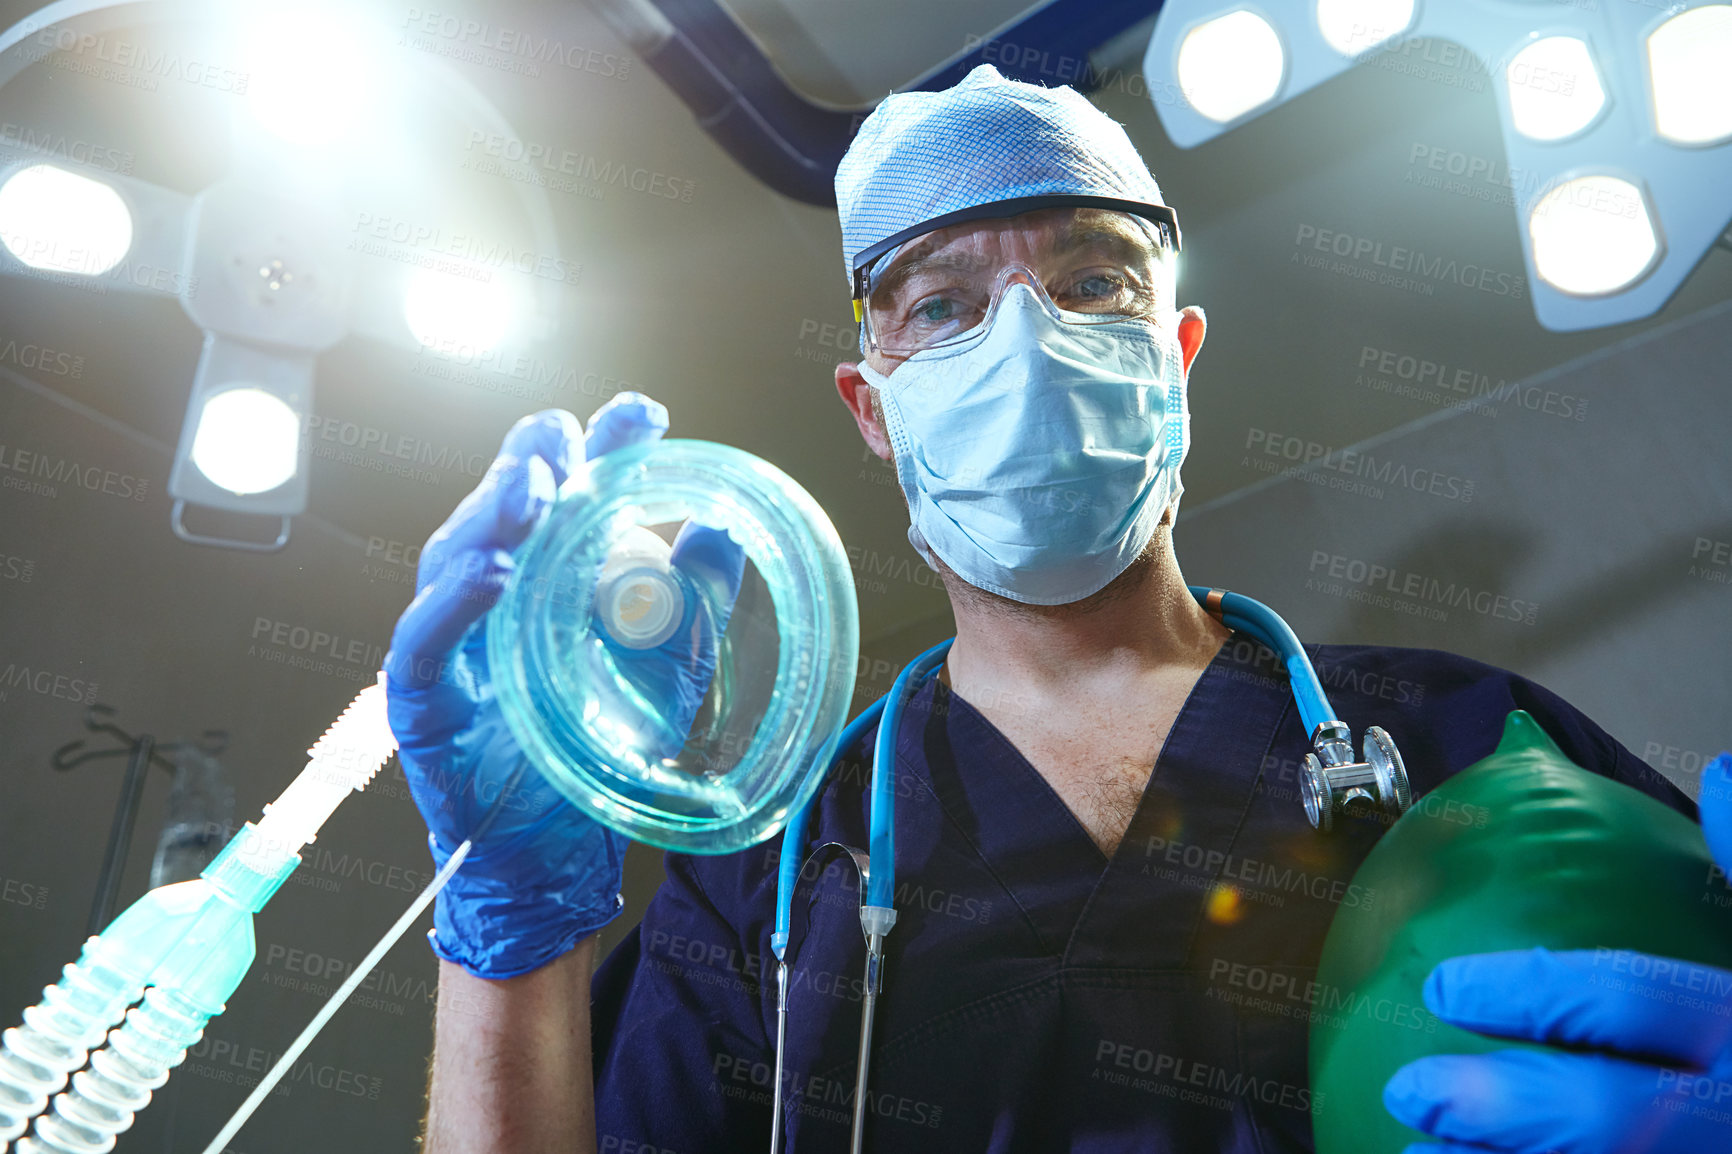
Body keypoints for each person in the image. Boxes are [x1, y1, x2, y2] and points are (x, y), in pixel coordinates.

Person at [387, 66, 1729, 1153]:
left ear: (1176, 354)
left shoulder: (1464, 738)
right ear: (873, 405)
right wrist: (512, 926)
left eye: (1092, 283)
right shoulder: (777, 876)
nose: (1026, 341)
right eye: (945, 305)